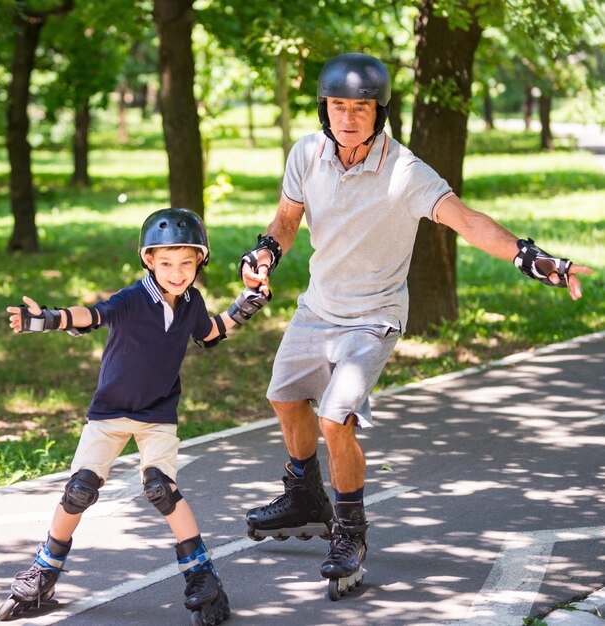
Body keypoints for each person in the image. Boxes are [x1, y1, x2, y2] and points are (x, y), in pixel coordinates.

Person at [239, 53, 593, 594]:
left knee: (336, 420)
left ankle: (350, 530)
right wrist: (265, 253)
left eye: (361, 108)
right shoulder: (307, 153)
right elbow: (287, 220)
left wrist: (530, 258)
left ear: (380, 112)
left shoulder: (405, 172)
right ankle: (304, 495)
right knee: (285, 399)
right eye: (338, 106)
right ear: (323, 108)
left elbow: (469, 221)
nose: (348, 118)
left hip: (373, 316)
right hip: (317, 307)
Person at [0, 208, 270, 624]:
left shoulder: (191, 302)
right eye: (166, 263)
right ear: (148, 260)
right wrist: (51, 319)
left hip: (158, 414)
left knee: (162, 487)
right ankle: (45, 568)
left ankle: (202, 575)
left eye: (186, 263)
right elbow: (94, 314)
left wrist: (243, 307)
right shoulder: (133, 298)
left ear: (200, 261)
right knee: (80, 488)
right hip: (109, 412)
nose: (177, 272)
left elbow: (209, 333)